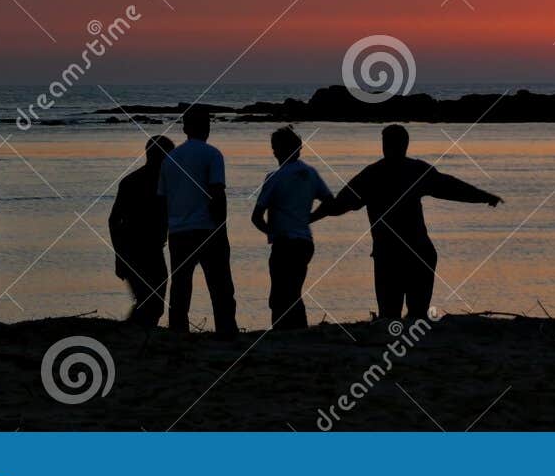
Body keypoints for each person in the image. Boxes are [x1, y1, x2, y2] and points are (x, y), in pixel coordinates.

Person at [312, 124, 502, 322]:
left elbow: (337, 206)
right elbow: (451, 187)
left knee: (394, 317)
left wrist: (307, 219)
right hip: (407, 254)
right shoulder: (408, 171)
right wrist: (484, 196)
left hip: (399, 255)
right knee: (409, 317)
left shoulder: (376, 174)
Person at [158, 105, 238, 338]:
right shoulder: (212, 154)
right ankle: (225, 330)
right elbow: (217, 193)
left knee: (180, 286)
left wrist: (165, 231)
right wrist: (221, 227)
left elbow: (163, 201)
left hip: (178, 232)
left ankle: (178, 330)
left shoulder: (169, 160)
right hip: (207, 229)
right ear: (206, 127)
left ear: (185, 128)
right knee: (220, 285)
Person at [250, 127, 334, 330]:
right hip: (304, 243)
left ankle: (284, 332)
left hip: (285, 243)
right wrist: (309, 218)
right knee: (293, 290)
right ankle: (297, 331)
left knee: (281, 294)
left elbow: (256, 216)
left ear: (280, 150)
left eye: (275, 148)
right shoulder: (310, 173)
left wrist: (272, 232)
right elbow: (330, 202)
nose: (273, 152)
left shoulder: (275, 177)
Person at [109, 135, 175, 327]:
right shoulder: (136, 182)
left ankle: (138, 334)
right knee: (150, 303)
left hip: (150, 249)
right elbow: (114, 220)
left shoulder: (159, 182)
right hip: (135, 250)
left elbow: (113, 221)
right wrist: (119, 257)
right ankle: (134, 334)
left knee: (152, 303)